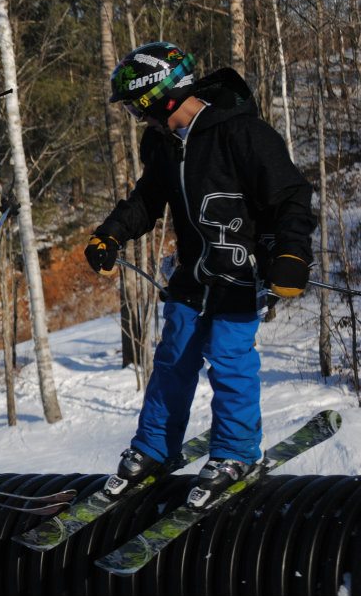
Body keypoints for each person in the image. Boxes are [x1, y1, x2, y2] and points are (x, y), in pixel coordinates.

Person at [85, 41, 316, 508]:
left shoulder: (242, 133)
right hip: (193, 276)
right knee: (174, 359)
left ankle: (235, 453)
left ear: (160, 96)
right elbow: (148, 199)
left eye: (135, 105)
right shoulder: (167, 146)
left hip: (239, 274)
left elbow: (290, 195)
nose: (135, 115)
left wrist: (293, 255)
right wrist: (111, 234)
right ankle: (153, 448)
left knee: (230, 360)